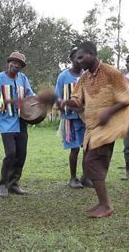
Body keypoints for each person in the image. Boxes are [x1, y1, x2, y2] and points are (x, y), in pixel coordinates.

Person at [60, 41, 129, 218]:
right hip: (92, 126)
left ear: (92, 54)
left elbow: (127, 96)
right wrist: (66, 102)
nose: (78, 61)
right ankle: (102, 203)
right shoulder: (84, 78)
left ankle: (106, 205)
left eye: (81, 57)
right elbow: (77, 99)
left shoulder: (111, 72)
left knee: (92, 162)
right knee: (91, 162)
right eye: (76, 58)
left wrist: (109, 111)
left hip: (108, 126)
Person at [0, 52, 34, 197]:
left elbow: (30, 93)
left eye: (19, 64)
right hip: (6, 121)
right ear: (9, 62)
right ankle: (3, 184)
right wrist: (9, 102)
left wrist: (36, 101)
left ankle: (14, 183)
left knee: (21, 154)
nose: (16, 66)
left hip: (21, 120)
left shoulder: (23, 78)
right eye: (14, 62)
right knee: (10, 153)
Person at [55, 48, 91, 188]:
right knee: (75, 148)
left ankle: (86, 177)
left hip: (86, 118)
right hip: (70, 118)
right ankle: (73, 178)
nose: (80, 60)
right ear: (71, 59)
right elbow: (58, 99)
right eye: (77, 57)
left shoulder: (88, 76)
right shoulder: (63, 77)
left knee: (87, 148)